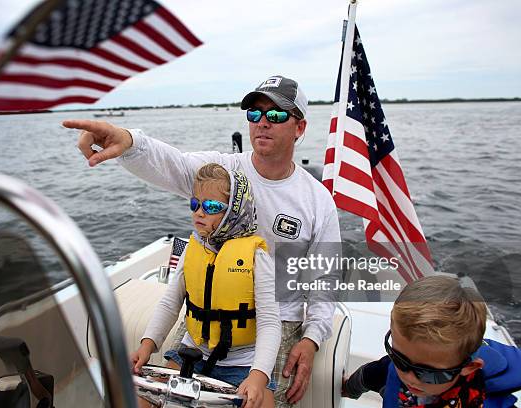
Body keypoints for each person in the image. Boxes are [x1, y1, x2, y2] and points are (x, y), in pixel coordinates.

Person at [64, 74, 341, 406]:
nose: (262, 122)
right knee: (153, 400)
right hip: (208, 312)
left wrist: (311, 340)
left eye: (277, 115)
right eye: (254, 114)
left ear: (299, 128)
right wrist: (129, 141)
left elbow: (326, 279)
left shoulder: (317, 200)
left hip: (277, 319)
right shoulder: (224, 172)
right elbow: (177, 166)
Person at [131, 163, 280, 408]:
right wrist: (146, 346)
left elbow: (270, 322)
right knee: (139, 401)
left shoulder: (257, 258)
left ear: (235, 211)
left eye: (211, 207)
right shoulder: (192, 249)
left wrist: (258, 376)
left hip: (242, 363)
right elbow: (170, 303)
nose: (199, 212)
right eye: (195, 204)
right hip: (193, 354)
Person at [342, 275, 521, 407]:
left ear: (469, 367)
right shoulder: (392, 370)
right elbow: (368, 377)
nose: (409, 378)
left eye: (428, 373)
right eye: (398, 358)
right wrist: (349, 389)